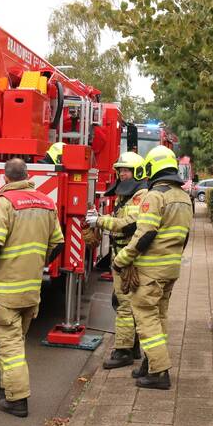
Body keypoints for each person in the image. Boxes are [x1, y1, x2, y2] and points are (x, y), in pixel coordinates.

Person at [0, 158, 64, 417]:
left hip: (6, 289)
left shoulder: (3, 203)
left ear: (5, 178)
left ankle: (17, 399)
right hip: (31, 289)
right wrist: (38, 264)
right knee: (13, 339)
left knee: (10, 343)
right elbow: (58, 243)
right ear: (28, 175)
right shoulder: (47, 203)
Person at [112, 145, 194, 390]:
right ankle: (149, 364)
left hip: (150, 270)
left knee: (146, 319)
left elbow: (144, 235)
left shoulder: (155, 195)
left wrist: (122, 259)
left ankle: (159, 372)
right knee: (159, 318)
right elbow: (185, 236)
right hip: (171, 269)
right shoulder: (183, 197)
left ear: (151, 167)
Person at [86, 151, 147, 369]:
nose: (121, 174)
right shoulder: (127, 195)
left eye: (126, 170)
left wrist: (100, 221)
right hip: (121, 256)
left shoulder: (141, 196)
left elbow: (129, 224)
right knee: (124, 302)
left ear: (138, 172)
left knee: (124, 305)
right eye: (119, 170)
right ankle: (133, 347)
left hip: (129, 259)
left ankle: (123, 351)